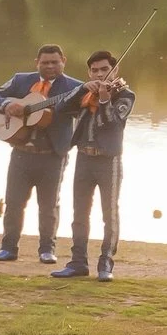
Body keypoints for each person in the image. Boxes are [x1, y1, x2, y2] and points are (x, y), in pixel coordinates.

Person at [0, 44, 84, 264]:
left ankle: (47, 250)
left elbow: (84, 112)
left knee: (49, 204)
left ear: (63, 61)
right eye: (45, 62)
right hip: (21, 153)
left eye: (54, 62)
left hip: (53, 155)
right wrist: (7, 104)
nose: (49, 66)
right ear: (36, 62)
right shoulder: (20, 80)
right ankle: (8, 248)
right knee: (13, 202)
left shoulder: (76, 87)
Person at [55, 49, 134, 284]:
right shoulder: (84, 93)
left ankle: (106, 263)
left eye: (104, 69)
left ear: (114, 70)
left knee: (109, 213)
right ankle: (78, 262)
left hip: (108, 160)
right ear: (89, 72)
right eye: (95, 70)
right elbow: (60, 109)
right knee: (79, 212)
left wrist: (104, 99)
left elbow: (112, 123)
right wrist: (82, 89)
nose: (100, 74)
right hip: (83, 158)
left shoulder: (126, 96)